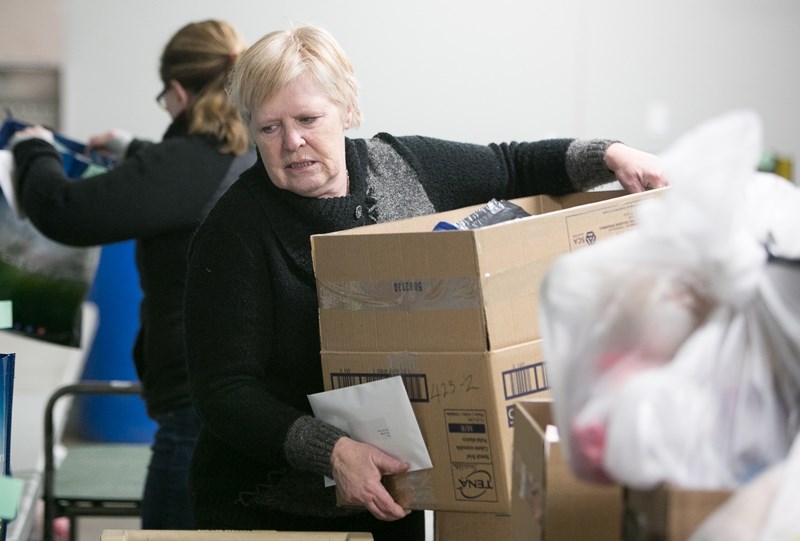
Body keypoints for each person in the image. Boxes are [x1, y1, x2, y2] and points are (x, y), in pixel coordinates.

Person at [182, 24, 669, 540]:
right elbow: (224, 391)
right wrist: (334, 452)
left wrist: (613, 154)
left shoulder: (405, 168)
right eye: (269, 129)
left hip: (397, 495)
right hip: (268, 511)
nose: (292, 142)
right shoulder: (233, 232)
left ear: (348, 110)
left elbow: (513, 165)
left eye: (307, 119)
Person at [10, 19, 255, 530]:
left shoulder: (188, 161)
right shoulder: (246, 151)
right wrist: (133, 148)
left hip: (195, 410)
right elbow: (183, 180)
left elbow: (62, 210)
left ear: (179, 92)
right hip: (236, 398)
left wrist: (35, 148)